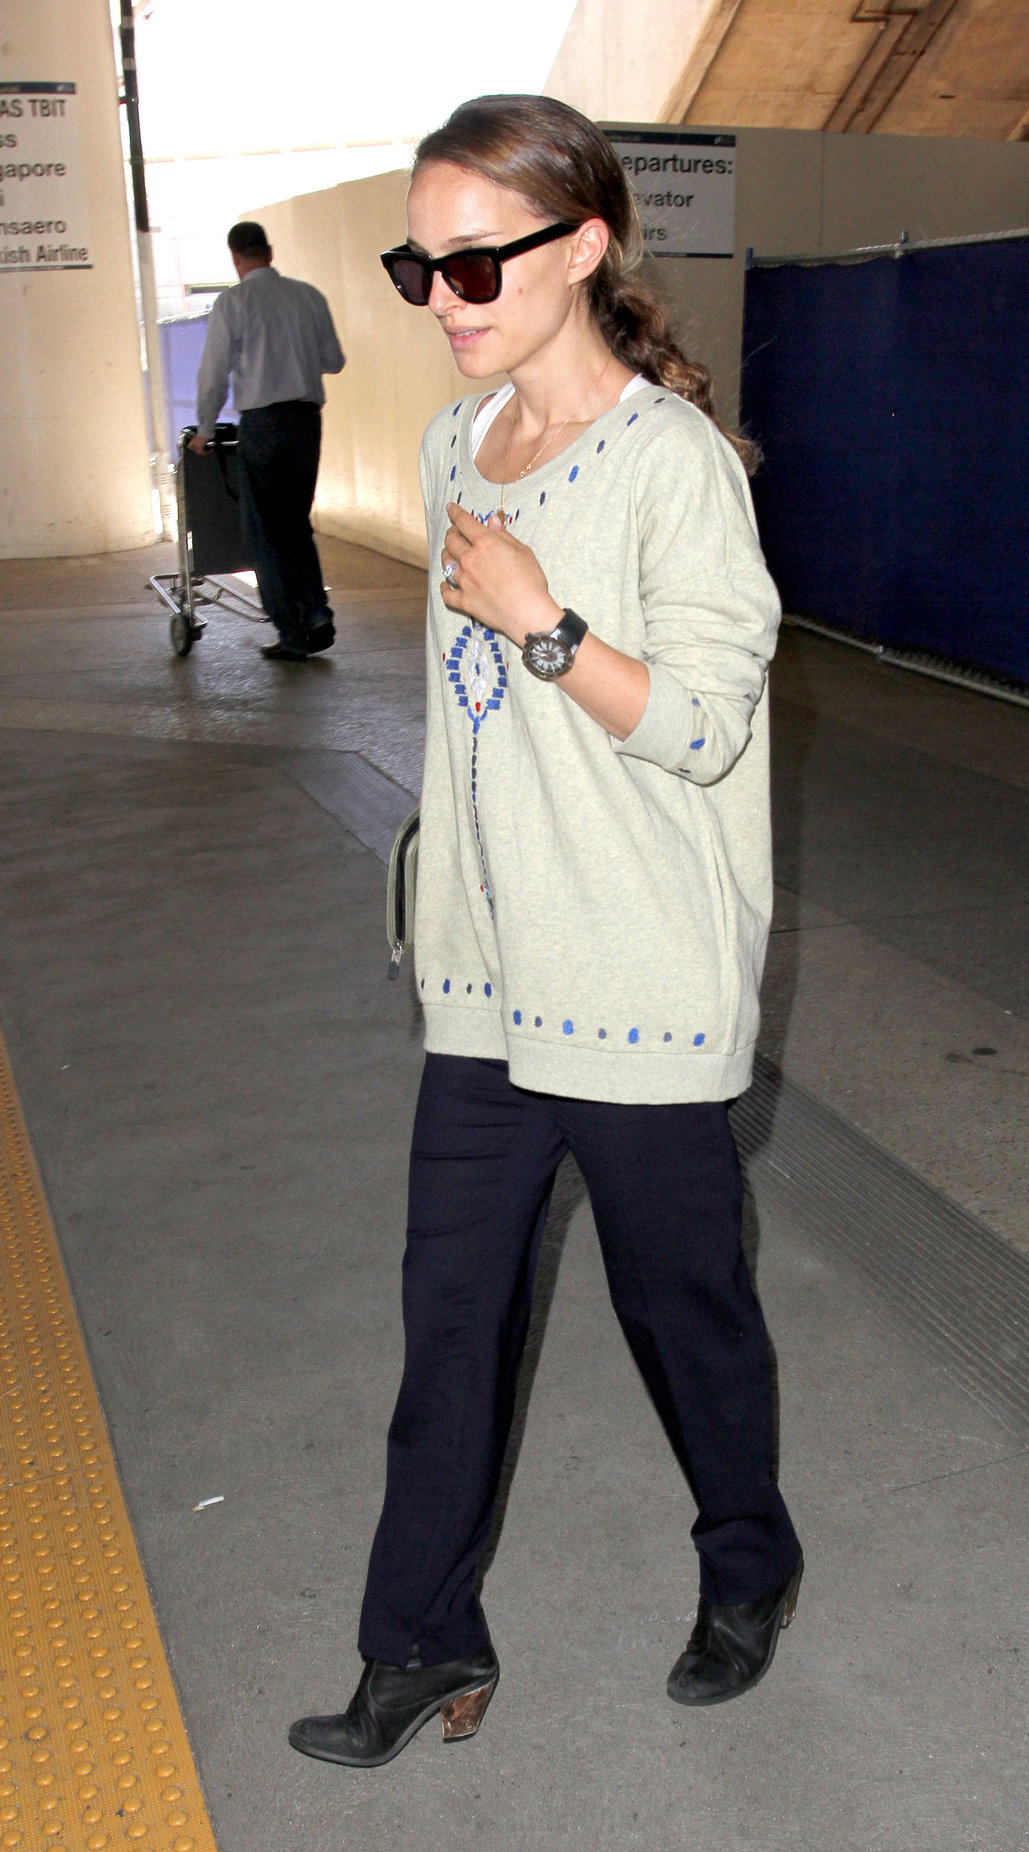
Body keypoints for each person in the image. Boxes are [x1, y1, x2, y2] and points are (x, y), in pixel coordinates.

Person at [289, 94, 803, 1770]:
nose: (438, 296)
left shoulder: (672, 468)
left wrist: (543, 619)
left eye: (470, 260)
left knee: (683, 1313)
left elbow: (704, 726)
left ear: (580, 247)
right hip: (491, 992)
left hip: (638, 989)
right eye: (414, 264)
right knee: (449, 1315)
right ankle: (418, 1638)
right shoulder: (457, 443)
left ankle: (748, 1557)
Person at [189, 221, 345, 660]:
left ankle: (292, 635)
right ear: (270, 252)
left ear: (236, 258)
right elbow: (334, 360)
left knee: (266, 535)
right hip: (305, 422)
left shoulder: (233, 302)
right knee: (296, 524)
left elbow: (213, 374)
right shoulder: (308, 296)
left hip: (261, 425)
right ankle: (317, 613)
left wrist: (204, 431)